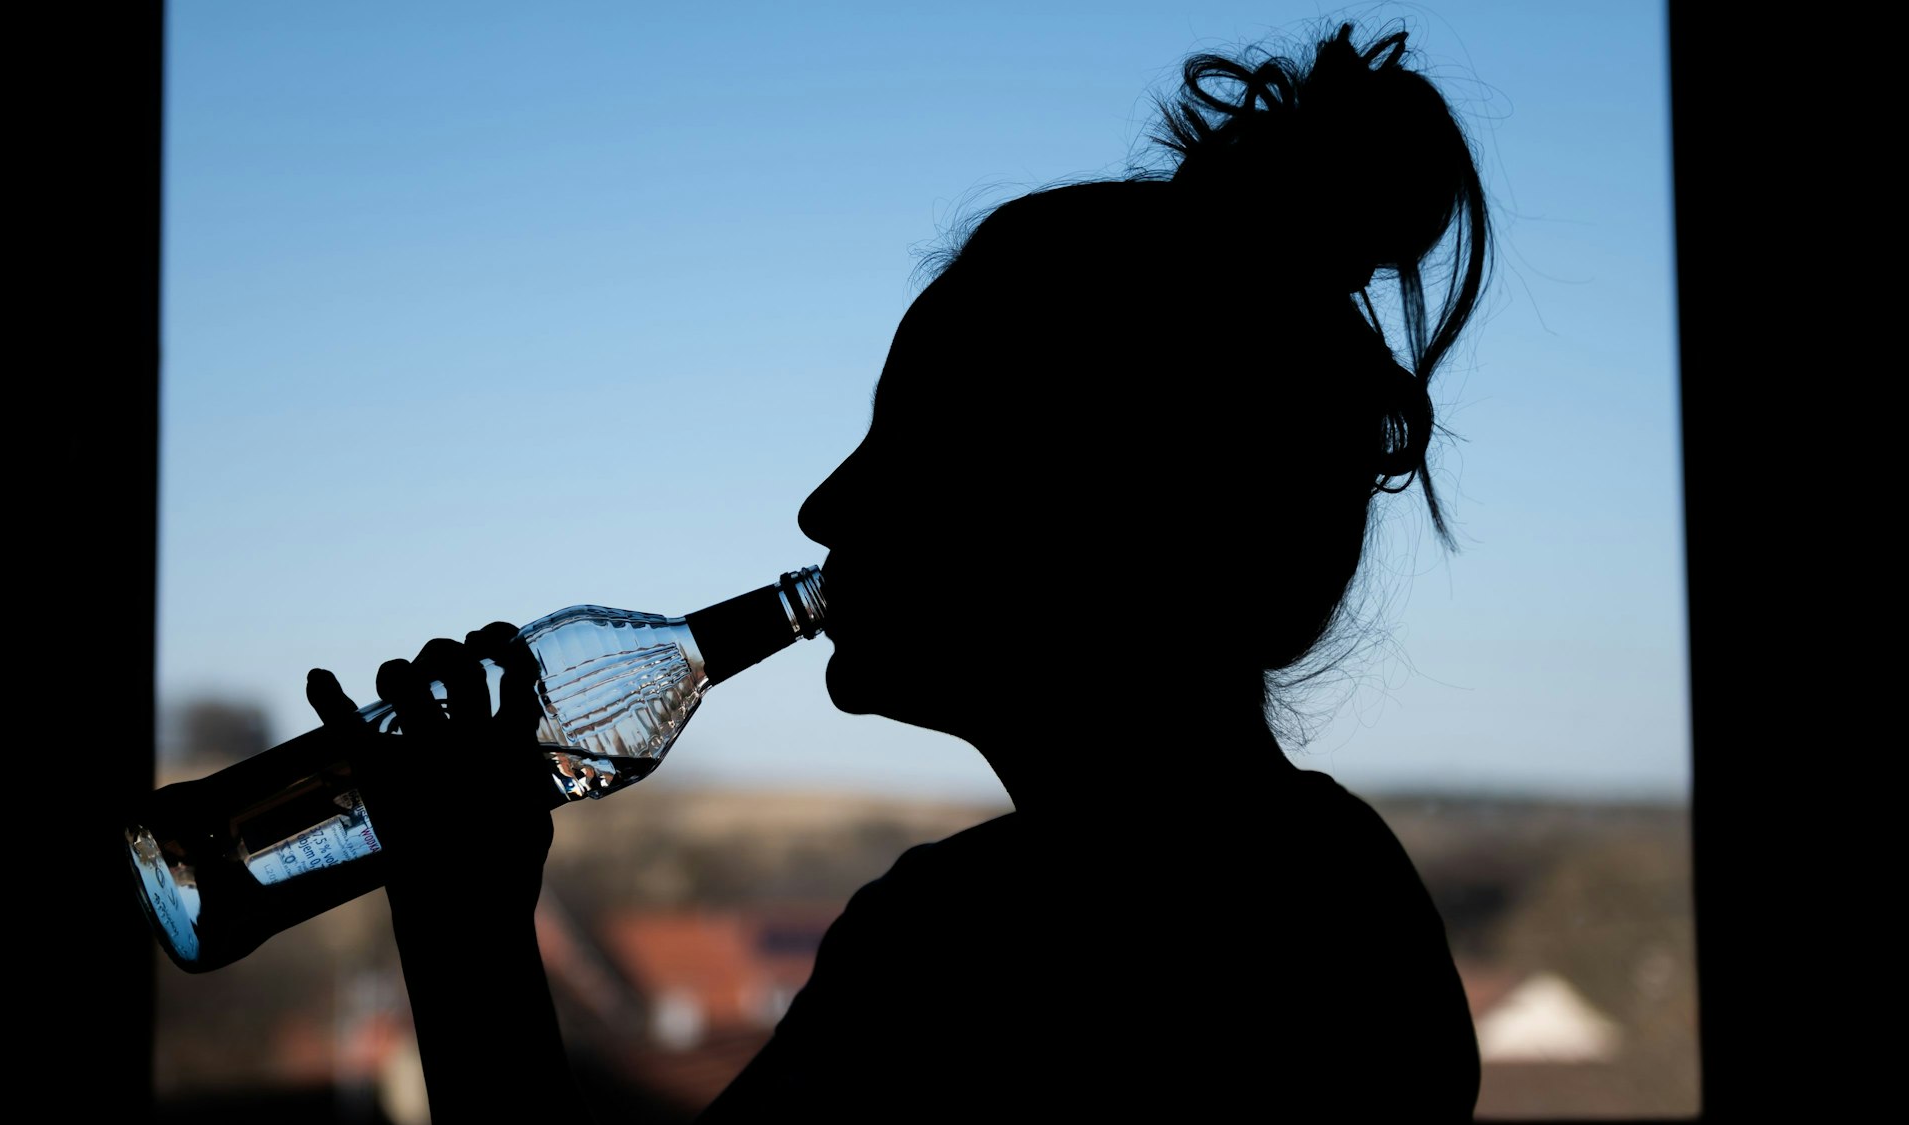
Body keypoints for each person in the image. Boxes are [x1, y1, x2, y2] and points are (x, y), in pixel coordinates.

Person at [307, 21, 1491, 1120]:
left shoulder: (973, 953)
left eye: (909, 448)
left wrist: (465, 942)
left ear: (1087, 520)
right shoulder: (1347, 898)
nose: (824, 505)